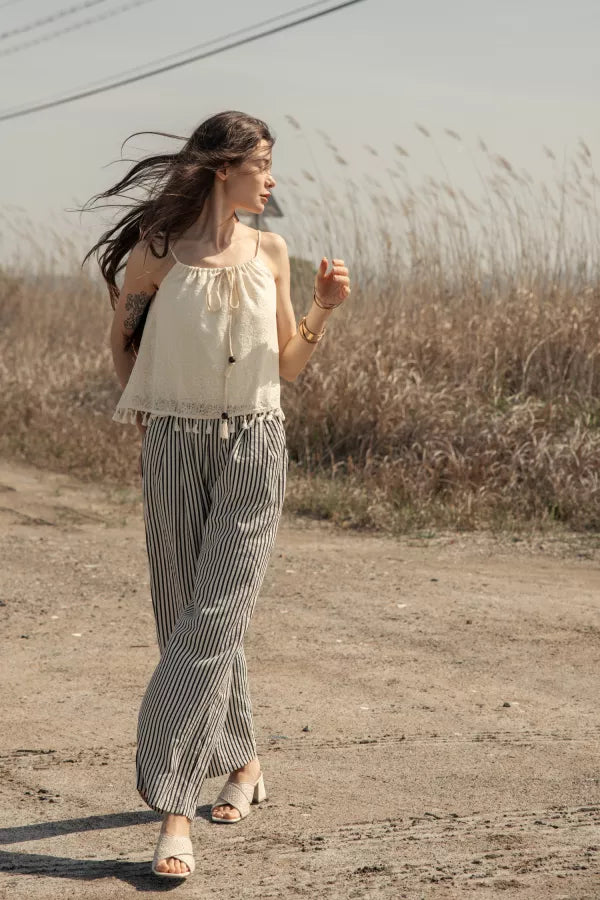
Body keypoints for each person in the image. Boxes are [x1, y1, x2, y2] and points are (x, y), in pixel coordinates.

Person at [82, 109, 351, 879]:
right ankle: (244, 761)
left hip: (255, 443)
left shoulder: (271, 249)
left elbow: (290, 366)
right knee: (184, 613)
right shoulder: (156, 254)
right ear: (222, 167)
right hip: (171, 440)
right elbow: (123, 345)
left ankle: (173, 807)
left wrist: (325, 309)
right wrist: (150, 412)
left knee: (215, 613)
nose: (273, 179)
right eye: (262, 163)